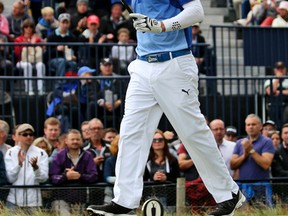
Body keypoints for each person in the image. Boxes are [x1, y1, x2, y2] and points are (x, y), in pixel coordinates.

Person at [86, 0, 246, 215]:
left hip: (175, 62)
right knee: (131, 132)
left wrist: (162, 26)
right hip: (142, 64)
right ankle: (124, 200)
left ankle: (229, 194)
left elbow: (197, 12)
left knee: (192, 132)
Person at [49, 129, 98, 215]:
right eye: (72, 139)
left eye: (78, 139)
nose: (75, 141)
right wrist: (66, 176)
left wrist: (80, 176)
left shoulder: (88, 155)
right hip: (61, 199)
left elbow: (94, 176)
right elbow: (53, 177)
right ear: (66, 141)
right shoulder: (59, 156)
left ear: (81, 141)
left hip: (82, 200)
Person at [230, 114, 275, 204]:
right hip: (244, 186)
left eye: (253, 124)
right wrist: (244, 156)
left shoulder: (267, 142)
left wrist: (251, 151)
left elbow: (266, 164)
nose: (250, 127)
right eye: (248, 124)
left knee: (264, 212)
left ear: (260, 126)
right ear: (245, 127)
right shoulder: (240, 143)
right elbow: (232, 165)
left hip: (261, 185)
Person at [4, 123, 49, 208]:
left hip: (34, 202)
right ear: (19, 136)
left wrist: (36, 168)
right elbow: (10, 178)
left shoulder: (41, 153)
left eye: (31, 134)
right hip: (13, 201)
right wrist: (19, 164)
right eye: (25, 134)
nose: (28, 137)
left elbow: (43, 179)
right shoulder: (10, 152)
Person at [14, 19, 45, 95]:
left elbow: (41, 52)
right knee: (27, 65)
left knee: (41, 65)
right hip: (22, 61)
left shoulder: (37, 39)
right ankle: (29, 89)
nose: (28, 28)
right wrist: (30, 44)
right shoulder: (18, 39)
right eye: (26, 27)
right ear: (23, 28)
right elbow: (17, 53)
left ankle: (40, 89)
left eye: (31, 27)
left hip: (35, 60)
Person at [46, 13, 78, 77]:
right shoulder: (51, 36)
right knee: (61, 61)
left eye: (67, 23)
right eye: (63, 22)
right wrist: (56, 49)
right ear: (59, 23)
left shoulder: (72, 37)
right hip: (53, 60)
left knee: (73, 64)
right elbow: (47, 53)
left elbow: (76, 51)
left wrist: (74, 57)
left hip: (68, 59)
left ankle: (71, 85)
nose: (65, 25)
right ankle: (59, 84)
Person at [264, 61, 288, 126]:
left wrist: (280, 92)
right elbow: (270, 92)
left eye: (282, 69)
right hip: (273, 104)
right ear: (275, 70)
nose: (280, 71)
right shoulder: (269, 81)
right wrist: (278, 79)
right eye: (278, 69)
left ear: (285, 69)